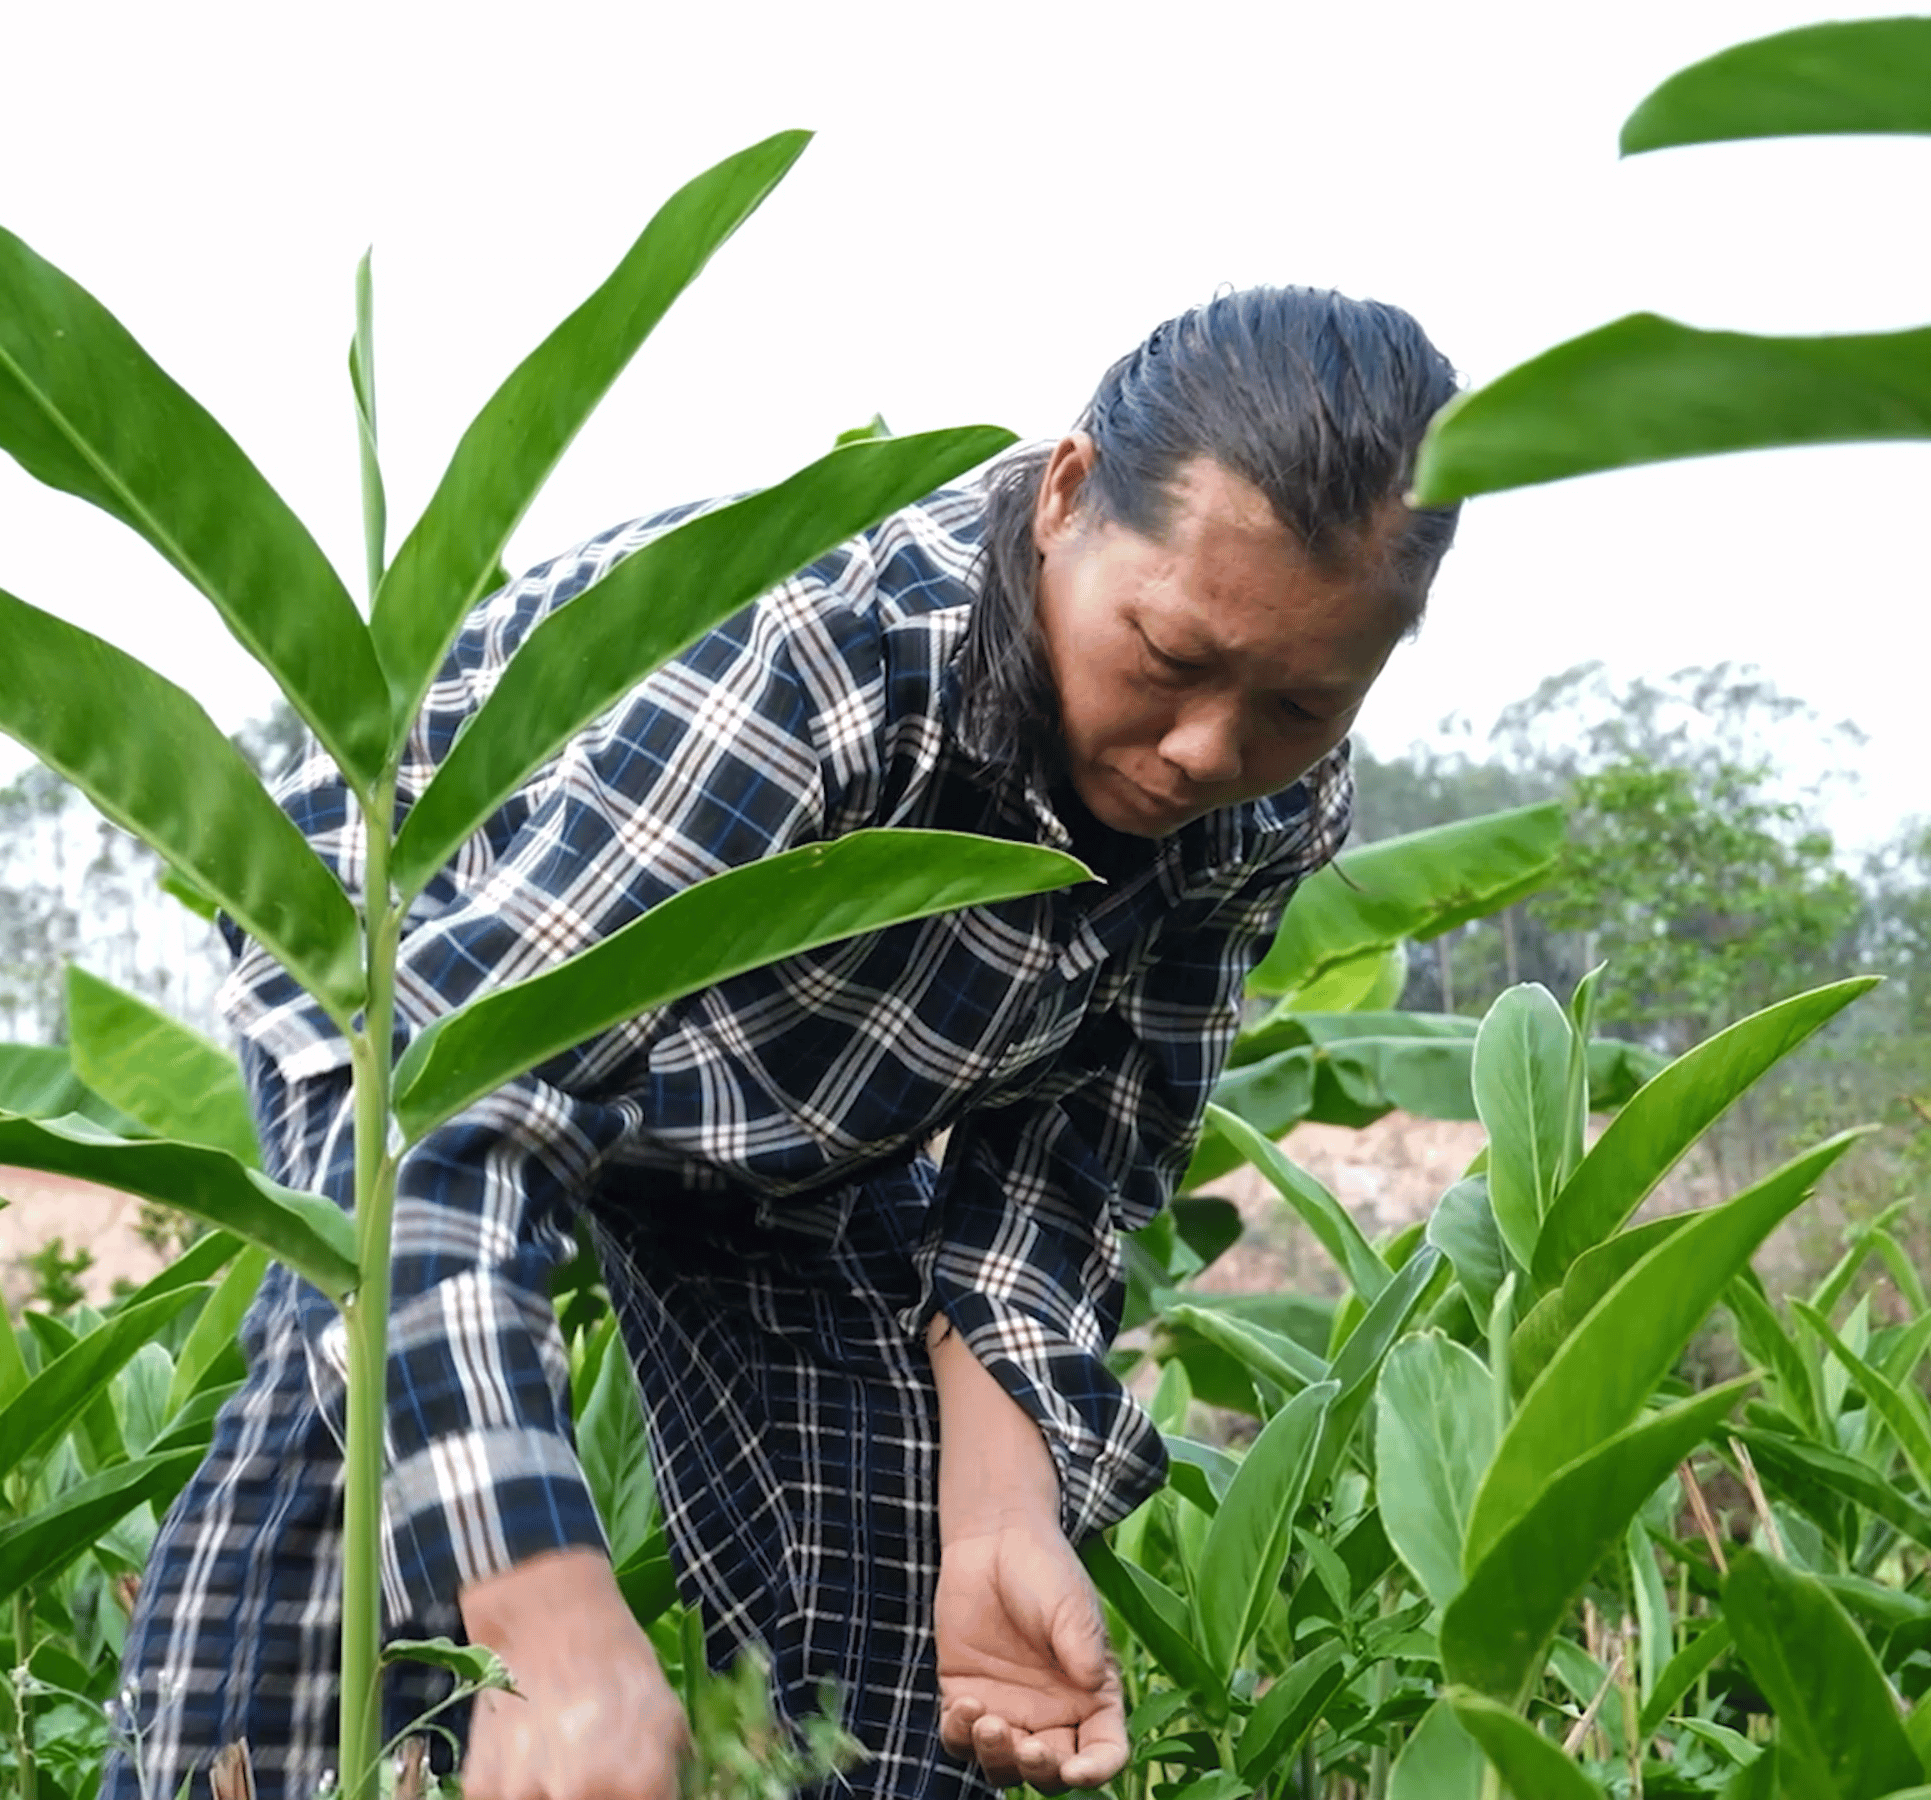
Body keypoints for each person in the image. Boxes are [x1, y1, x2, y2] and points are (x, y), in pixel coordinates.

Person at [104, 286, 1462, 1800]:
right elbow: (453, 1113)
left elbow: (1073, 1166)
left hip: (787, 1104)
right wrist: (550, 1625)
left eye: (1297, 701)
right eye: (1166, 653)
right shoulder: (824, 655)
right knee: (375, 1474)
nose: (1211, 746)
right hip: (440, 985)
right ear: (1068, 498)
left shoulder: (1260, 808)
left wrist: (1004, 1516)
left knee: (888, 1587)